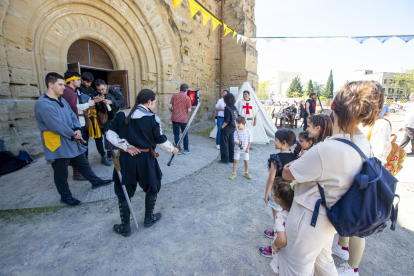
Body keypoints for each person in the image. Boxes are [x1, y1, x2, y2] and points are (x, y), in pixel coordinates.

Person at [280, 81, 383, 276]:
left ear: (333, 106)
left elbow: (287, 173)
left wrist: (289, 166)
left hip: (310, 217)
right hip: (332, 214)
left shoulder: (327, 149)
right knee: (323, 262)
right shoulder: (363, 142)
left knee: (295, 267)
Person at [106, 89, 179, 237]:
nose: (154, 105)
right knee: (151, 187)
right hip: (145, 158)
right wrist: (173, 150)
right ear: (148, 102)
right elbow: (161, 141)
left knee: (125, 191)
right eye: (154, 103)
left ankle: (126, 226)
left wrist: (125, 146)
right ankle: (147, 218)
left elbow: (109, 132)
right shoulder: (152, 118)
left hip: (126, 158)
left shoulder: (122, 114)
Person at [332, 106, 394, 276]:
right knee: (346, 213)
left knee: (358, 226)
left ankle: (353, 268)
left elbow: (379, 154)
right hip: (357, 174)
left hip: (368, 177)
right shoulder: (359, 124)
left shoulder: (380, 125)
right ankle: (342, 246)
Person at [34, 73, 112, 206]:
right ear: (50, 85)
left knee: (82, 163)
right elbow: (55, 125)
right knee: (61, 172)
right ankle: (65, 197)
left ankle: (95, 181)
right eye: (60, 84)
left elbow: (72, 115)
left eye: (64, 84)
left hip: (71, 138)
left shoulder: (61, 100)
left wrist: (77, 128)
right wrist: (74, 134)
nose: (63, 87)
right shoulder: (43, 103)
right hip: (57, 142)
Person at [259, 129, 296, 258]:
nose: (274, 141)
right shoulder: (295, 157)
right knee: (286, 218)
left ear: (283, 142)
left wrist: (266, 193)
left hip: (278, 193)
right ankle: (277, 233)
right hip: (290, 193)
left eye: (275, 139)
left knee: (278, 219)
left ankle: (275, 246)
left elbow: (271, 178)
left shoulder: (276, 158)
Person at [75, 73, 110, 165]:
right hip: (83, 118)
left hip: (94, 118)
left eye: (90, 82)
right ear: (82, 80)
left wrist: (97, 101)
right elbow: (77, 106)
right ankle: (85, 161)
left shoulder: (92, 90)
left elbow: (97, 106)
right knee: (85, 140)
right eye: (87, 82)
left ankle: (103, 156)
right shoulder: (77, 90)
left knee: (99, 139)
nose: (88, 84)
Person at [95, 79, 126, 158]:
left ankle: (122, 150)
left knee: (121, 134)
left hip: (118, 114)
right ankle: (109, 152)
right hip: (107, 116)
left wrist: (111, 101)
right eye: (99, 90)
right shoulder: (97, 94)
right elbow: (100, 110)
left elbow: (123, 102)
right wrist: (98, 102)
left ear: (106, 86)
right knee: (108, 133)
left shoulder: (114, 90)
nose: (101, 91)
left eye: (102, 89)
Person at [269, 178, 294, 274]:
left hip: (283, 252)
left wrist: (275, 244)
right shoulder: (295, 212)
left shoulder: (280, 216)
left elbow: (282, 240)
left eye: (273, 194)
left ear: (278, 200)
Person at [169, 84, 192, 154]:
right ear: (186, 90)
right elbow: (189, 110)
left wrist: (172, 111)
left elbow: (170, 107)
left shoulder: (174, 96)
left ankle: (177, 150)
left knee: (176, 133)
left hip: (175, 118)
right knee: (184, 134)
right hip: (183, 119)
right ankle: (186, 149)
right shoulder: (187, 98)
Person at [219, 93, 239, 164]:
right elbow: (237, 117)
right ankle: (231, 158)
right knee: (231, 143)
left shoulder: (227, 108)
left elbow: (227, 120)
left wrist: (222, 127)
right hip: (233, 127)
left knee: (224, 143)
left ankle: (225, 159)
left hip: (227, 128)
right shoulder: (234, 107)